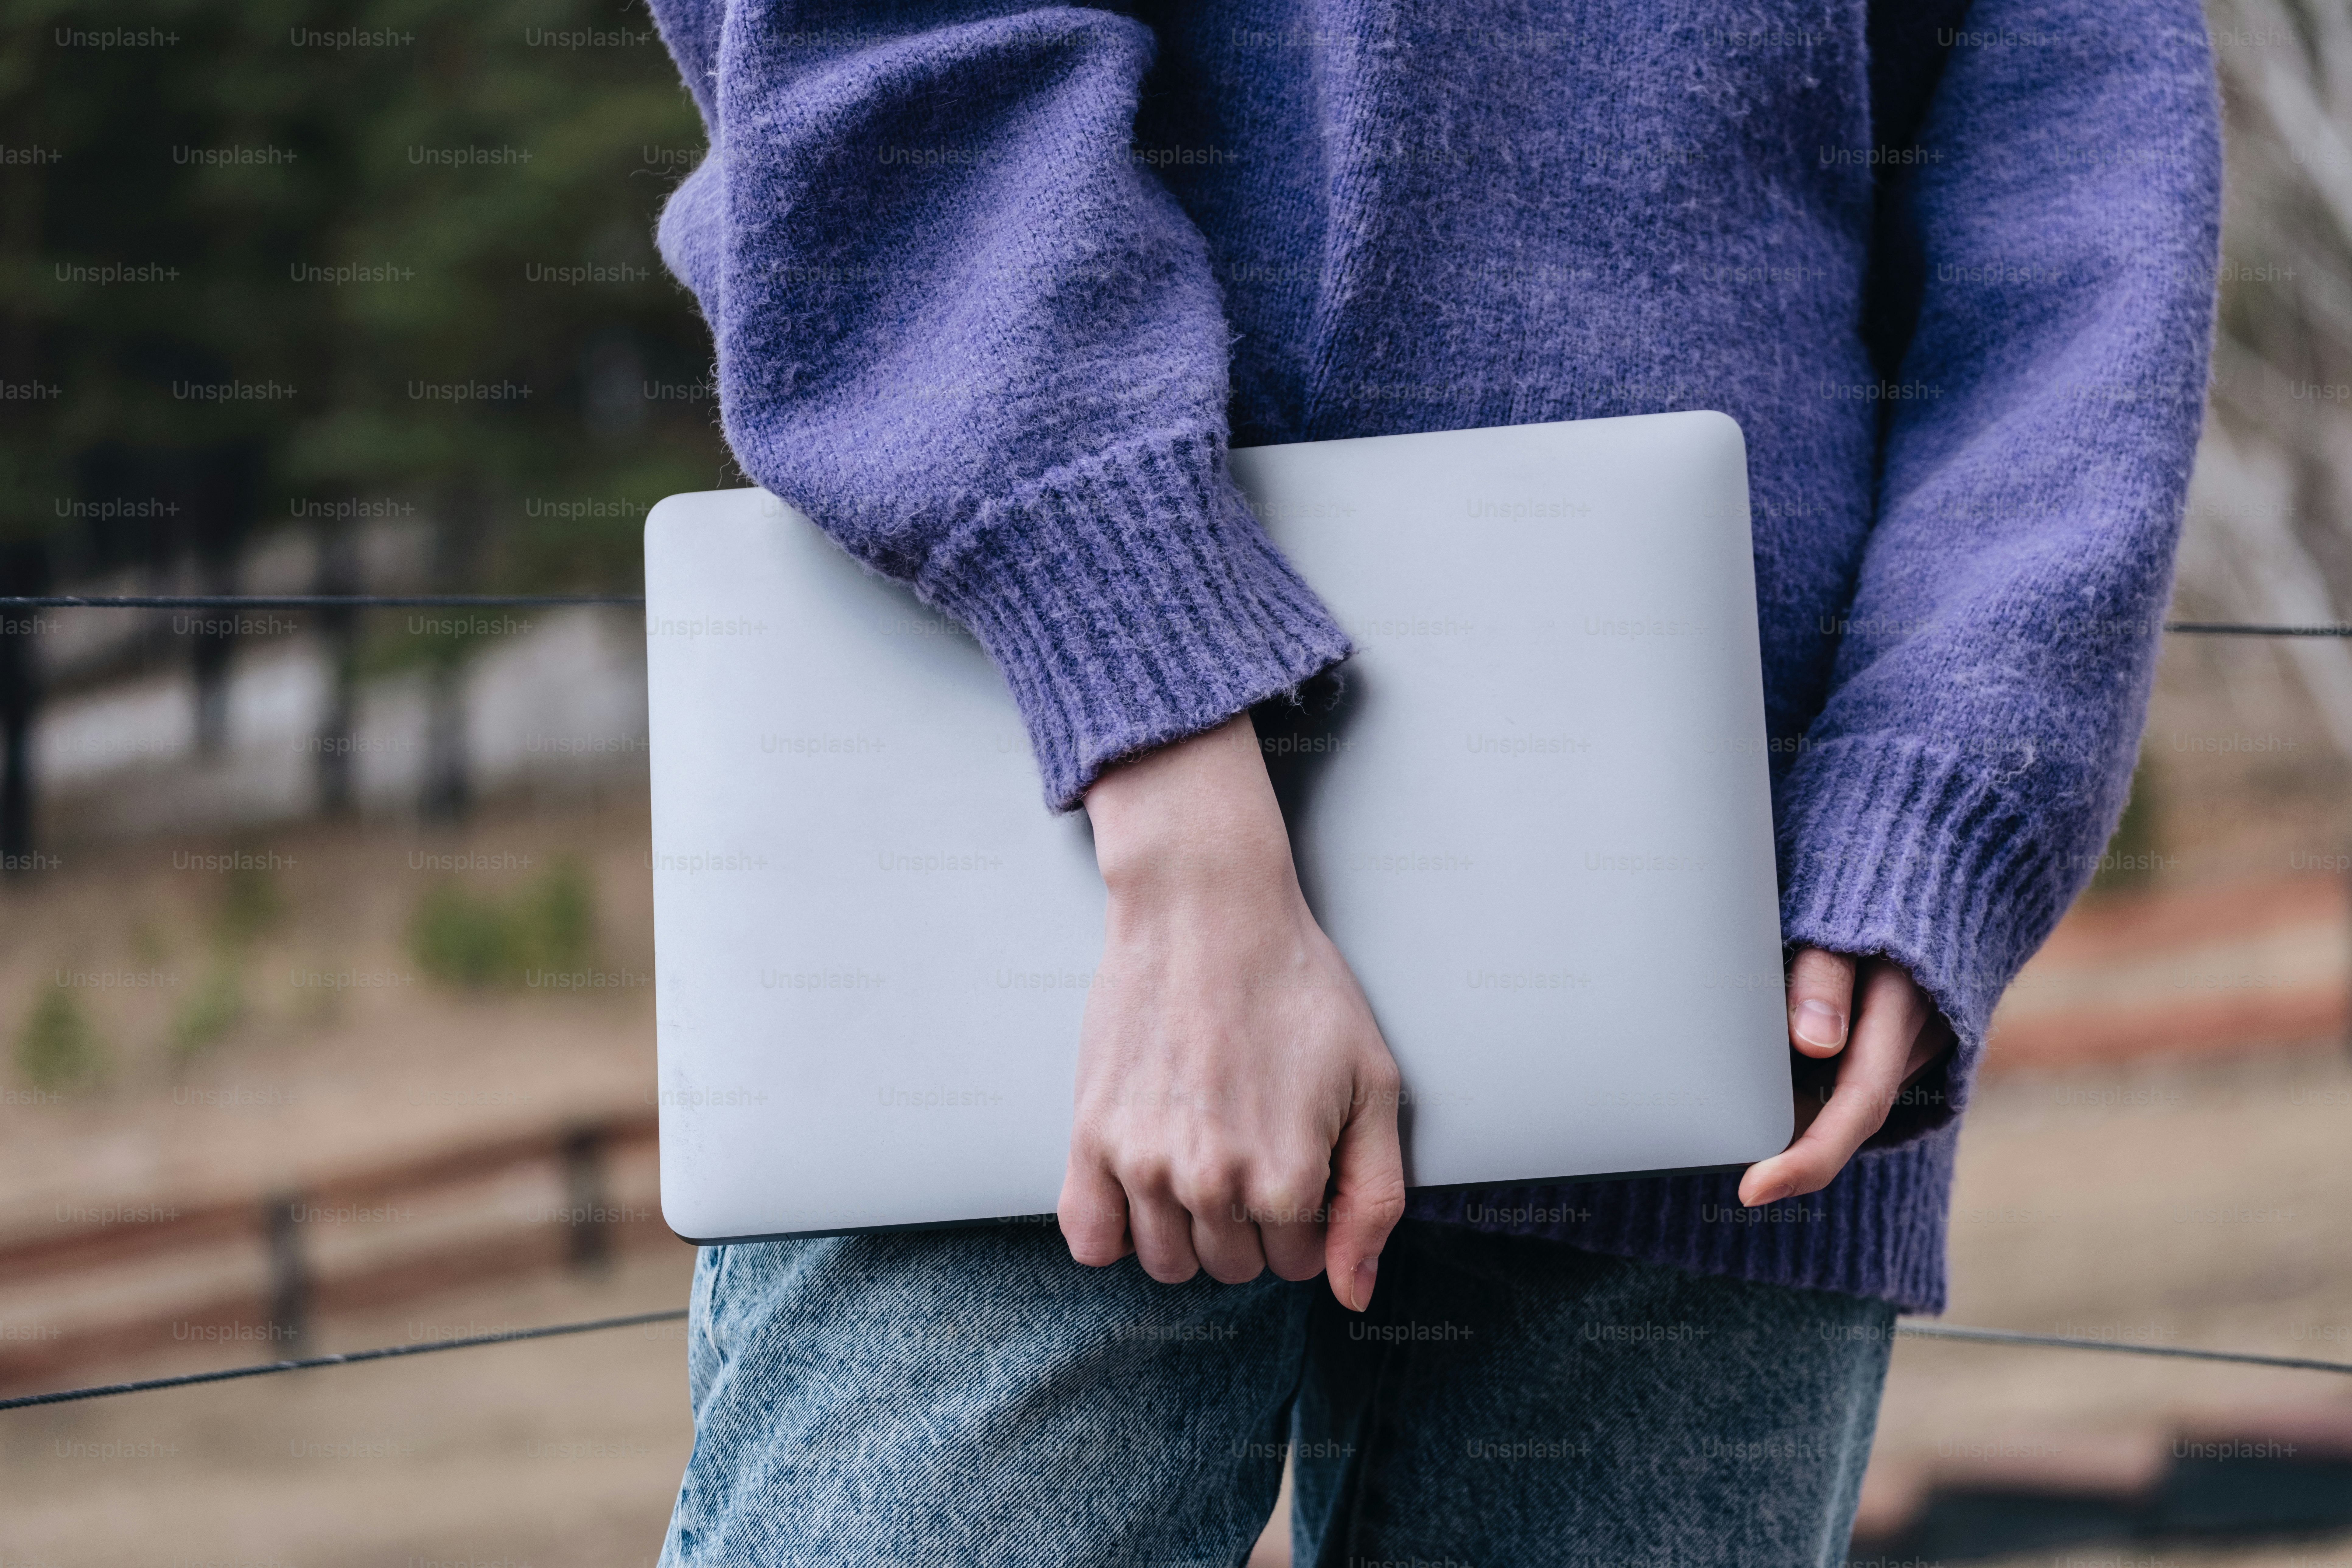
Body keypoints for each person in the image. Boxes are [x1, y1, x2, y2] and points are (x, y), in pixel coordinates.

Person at [640, 1, 2220, 1562]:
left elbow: (2087, 198)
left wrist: (1936, 790)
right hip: (1035, 885)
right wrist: (1166, 761)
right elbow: (886, 53)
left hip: (1736, 938)